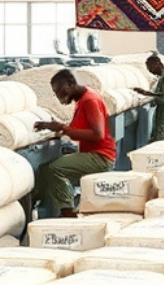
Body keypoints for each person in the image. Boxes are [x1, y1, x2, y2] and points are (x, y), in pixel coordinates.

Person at [34, 69, 117, 217]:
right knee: (49, 171)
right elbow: (76, 128)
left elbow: (98, 134)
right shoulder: (82, 100)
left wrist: (63, 128)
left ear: (71, 83)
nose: (58, 96)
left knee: (55, 169)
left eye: (60, 90)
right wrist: (53, 127)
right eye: (56, 92)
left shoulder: (89, 100)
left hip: (100, 157)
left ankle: (67, 212)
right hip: (94, 153)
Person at [134, 54, 164, 142]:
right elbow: (161, 94)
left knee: (161, 142)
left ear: (156, 64)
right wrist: (146, 93)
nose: (149, 70)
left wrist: (152, 98)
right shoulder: (162, 79)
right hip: (162, 117)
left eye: (150, 67)